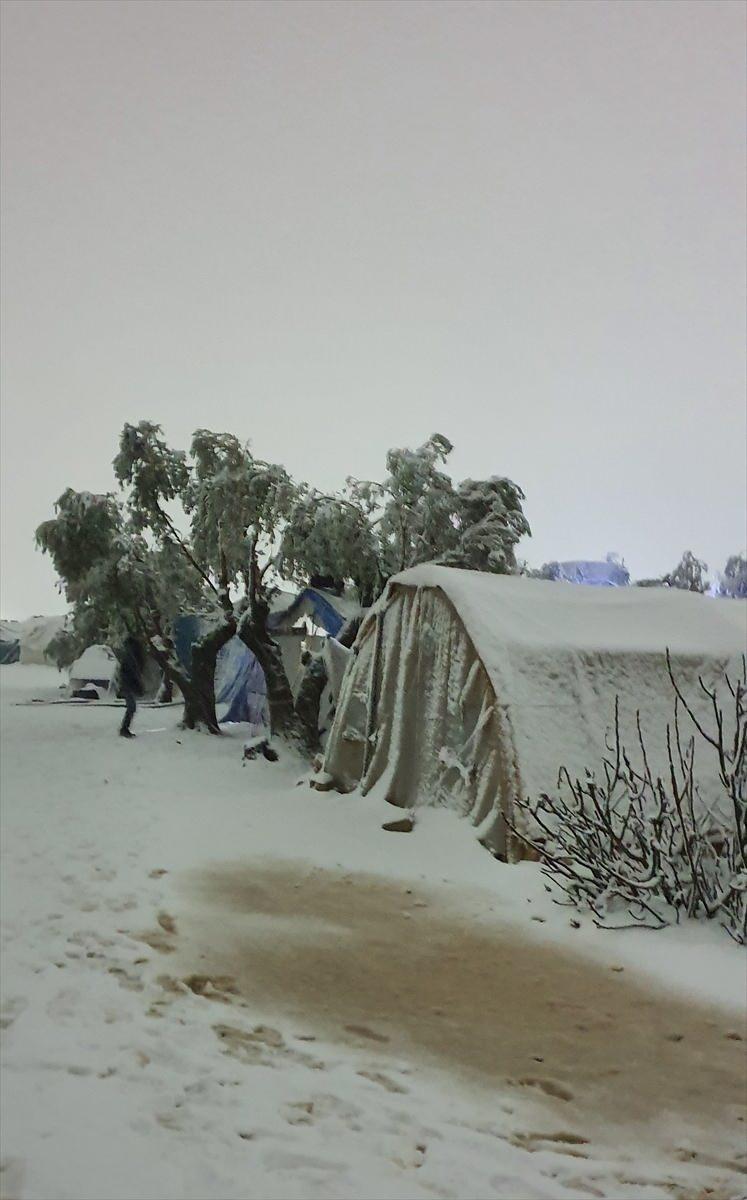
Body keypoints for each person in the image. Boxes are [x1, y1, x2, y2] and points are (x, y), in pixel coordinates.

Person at [117, 634, 145, 738]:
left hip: (127, 683)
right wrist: (138, 684)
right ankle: (124, 729)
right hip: (128, 683)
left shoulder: (129, 653)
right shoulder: (131, 654)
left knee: (131, 707)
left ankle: (124, 728)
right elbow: (134, 670)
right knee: (131, 707)